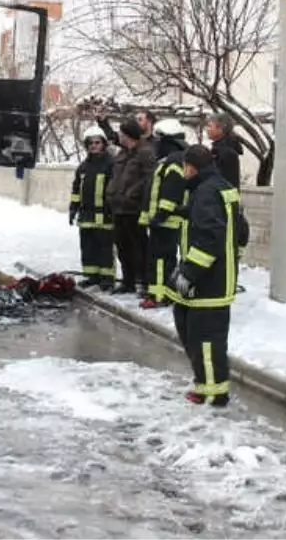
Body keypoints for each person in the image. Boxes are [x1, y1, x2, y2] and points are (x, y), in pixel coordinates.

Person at [168, 144, 247, 407]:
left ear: (191, 167)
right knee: (196, 331)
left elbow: (210, 237)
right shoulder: (221, 187)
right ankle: (207, 385)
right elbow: (236, 227)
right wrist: (183, 212)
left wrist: (189, 273)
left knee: (204, 340)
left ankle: (213, 393)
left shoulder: (205, 193)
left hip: (208, 283)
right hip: (218, 277)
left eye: (184, 167)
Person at [139, 119, 188, 310]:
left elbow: (171, 191)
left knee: (160, 261)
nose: (156, 145)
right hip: (163, 221)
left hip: (167, 222)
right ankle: (162, 293)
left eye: (159, 141)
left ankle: (159, 295)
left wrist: (161, 214)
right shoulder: (169, 161)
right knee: (161, 260)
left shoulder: (174, 161)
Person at [108, 119, 157, 297]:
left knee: (139, 247)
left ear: (128, 135)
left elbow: (149, 179)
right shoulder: (122, 153)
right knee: (122, 246)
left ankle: (143, 282)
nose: (119, 136)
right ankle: (127, 281)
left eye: (121, 134)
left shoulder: (145, 153)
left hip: (134, 208)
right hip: (118, 207)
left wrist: (132, 193)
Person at [69, 126, 116, 291]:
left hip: (105, 215)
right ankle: (91, 276)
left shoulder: (111, 164)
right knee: (88, 247)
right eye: (90, 143)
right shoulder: (83, 167)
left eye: (97, 142)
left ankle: (107, 278)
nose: (94, 146)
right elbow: (76, 190)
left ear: (103, 144)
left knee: (104, 248)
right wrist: (73, 209)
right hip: (86, 215)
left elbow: (115, 189)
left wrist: (113, 211)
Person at [205, 113, 243, 189]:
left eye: (210, 126)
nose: (207, 129)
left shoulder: (227, 152)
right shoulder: (218, 149)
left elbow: (217, 178)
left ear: (221, 129)